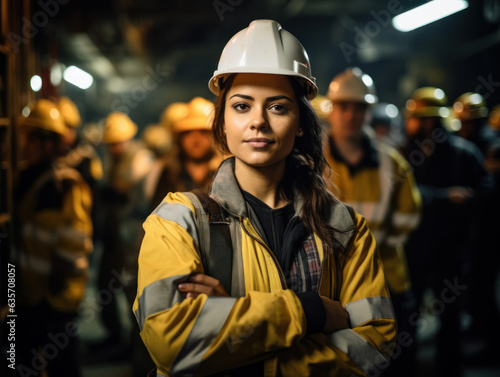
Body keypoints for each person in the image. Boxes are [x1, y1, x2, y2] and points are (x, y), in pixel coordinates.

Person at [134, 20, 396, 377]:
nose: (258, 122)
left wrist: (233, 330)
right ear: (223, 121)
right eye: (241, 106)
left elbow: (375, 347)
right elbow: (170, 342)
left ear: (300, 122)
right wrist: (310, 312)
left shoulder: (345, 227)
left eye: (278, 107)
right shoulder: (179, 221)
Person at [324, 67, 421, 377]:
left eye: (359, 107)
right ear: (332, 109)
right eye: (344, 106)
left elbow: (408, 215)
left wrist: (376, 246)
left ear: (368, 112)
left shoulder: (392, 163)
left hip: (388, 280)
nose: (351, 115)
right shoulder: (310, 164)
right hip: (331, 284)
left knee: (396, 361)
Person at [402, 87, 492, 377]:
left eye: (428, 119)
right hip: (414, 247)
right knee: (408, 315)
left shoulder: (463, 153)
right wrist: (444, 197)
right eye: (418, 119)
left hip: (451, 247)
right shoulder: (403, 153)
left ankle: (448, 369)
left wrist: (468, 202)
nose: (423, 125)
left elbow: (485, 190)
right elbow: (403, 195)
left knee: (450, 316)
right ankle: (405, 368)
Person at [14, 99, 93, 376]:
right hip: (29, 291)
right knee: (24, 360)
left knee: (62, 364)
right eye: (25, 137)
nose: (25, 144)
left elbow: (74, 239)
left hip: (54, 295)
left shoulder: (64, 183)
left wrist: (57, 280)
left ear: (49, 143)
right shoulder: (25, 177)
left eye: (32, 139)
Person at [96, 111, 154, 352]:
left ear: (128, 138)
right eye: (110, 144)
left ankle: (135, 344)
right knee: (105, 285)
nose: (114, 147)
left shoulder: (142, 157)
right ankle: (115, 336)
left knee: (133, 290)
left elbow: (122, 186)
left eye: (117, 142)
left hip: (133, 240)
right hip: (113, 237)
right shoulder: (113, 159)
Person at [150, 97, 222, 208]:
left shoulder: (226, 171)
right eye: (188, 133)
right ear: (179, 138)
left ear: (214, 136)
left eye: (203, 132)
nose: (196, 139)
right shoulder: (169, 172)